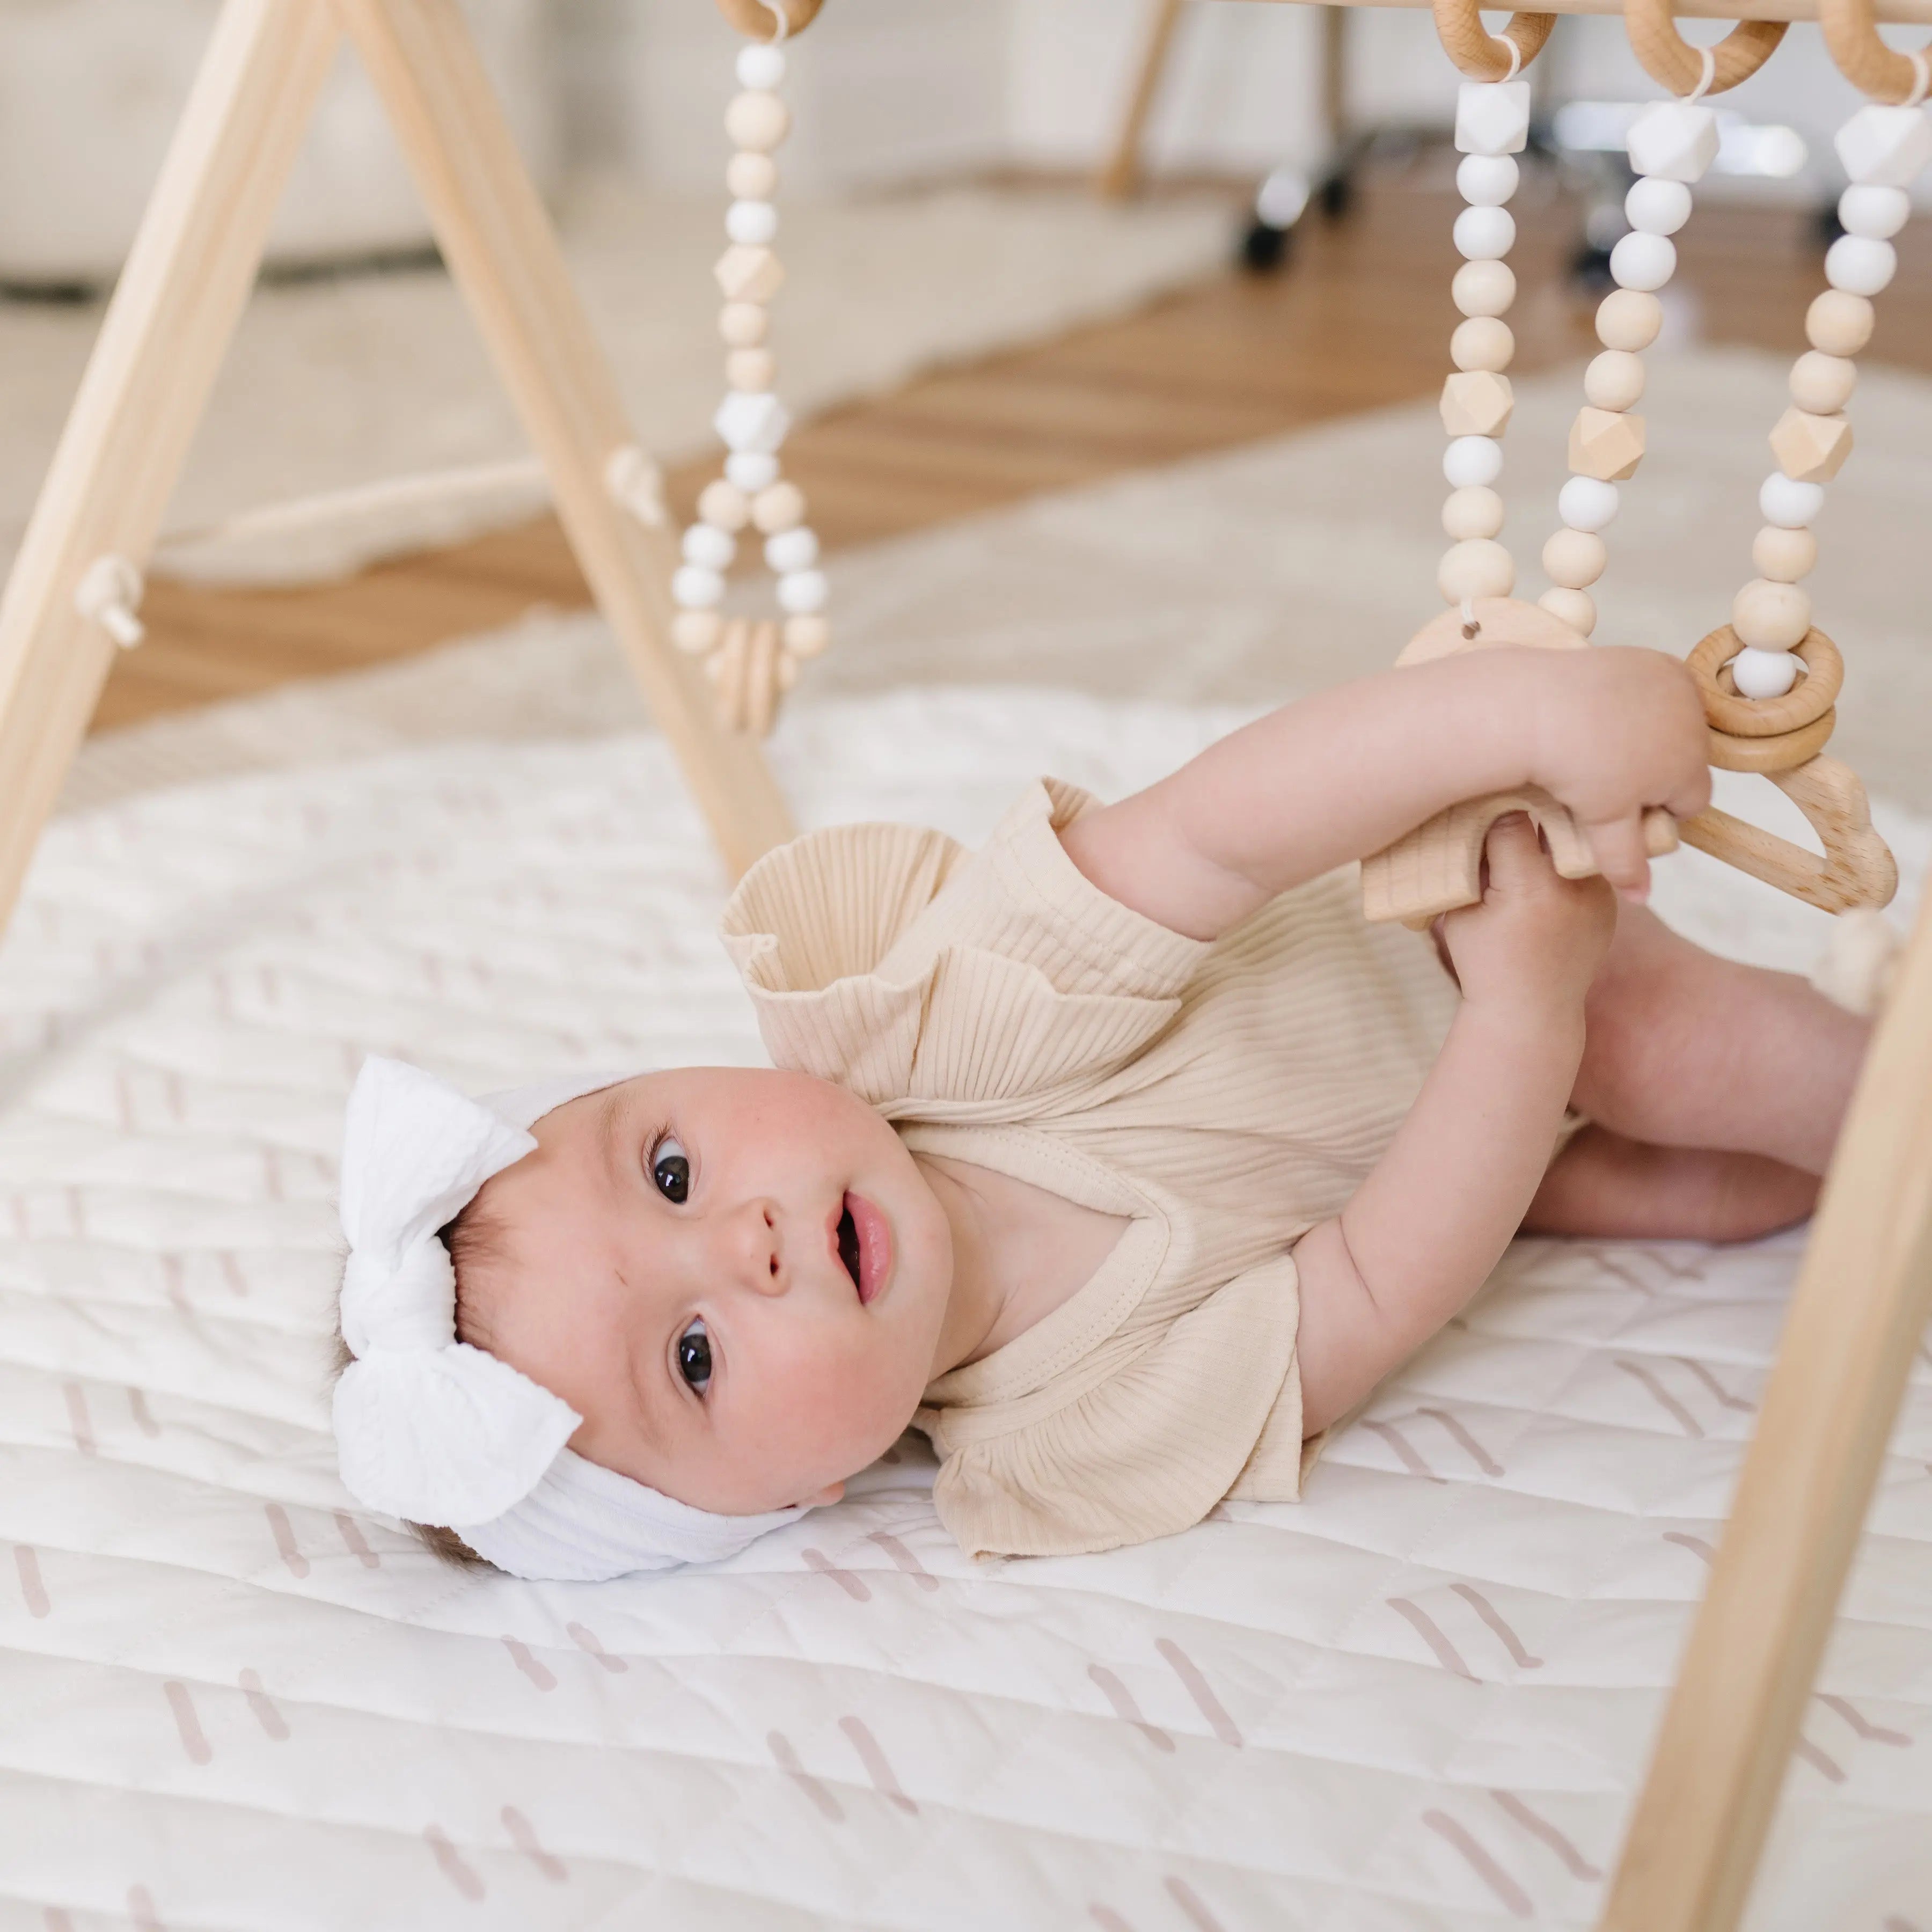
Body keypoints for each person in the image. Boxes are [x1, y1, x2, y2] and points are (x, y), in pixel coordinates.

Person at [330, 643, 1868, 1580]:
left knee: (1686, 1056)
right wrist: (1523, 1036)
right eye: (695, 1355)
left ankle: (1888, 1086)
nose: (749, 1244)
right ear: (801, 1496)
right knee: (1724, 1197)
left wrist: (1517, 719)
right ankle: (1753, 1138)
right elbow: (1369, 1284)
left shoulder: (950, 1013)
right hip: (1482, 1115)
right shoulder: (1063, 1450)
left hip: (1449, 912)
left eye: (671, 1168)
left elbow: (1222, 827)